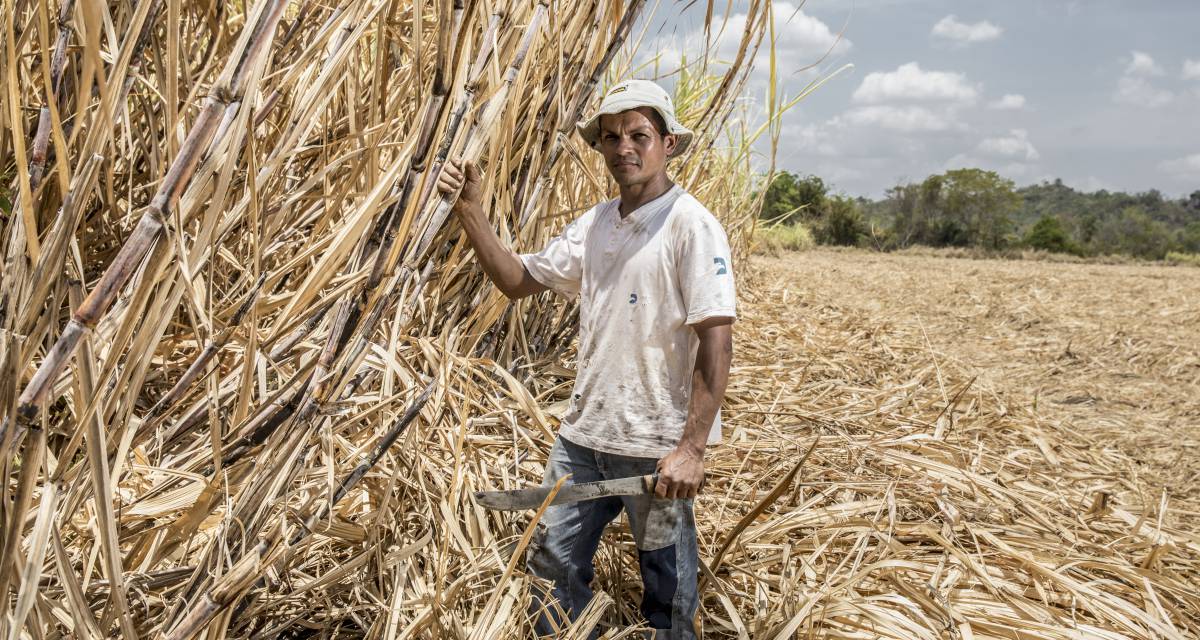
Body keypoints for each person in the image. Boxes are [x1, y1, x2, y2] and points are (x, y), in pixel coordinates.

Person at [437, 79, 735, 639]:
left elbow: (716, 341)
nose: (624, 147)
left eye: (639, 135)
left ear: (668, 143)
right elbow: (516, 280)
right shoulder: (595, 224)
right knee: (552, 570)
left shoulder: (690, 226)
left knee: (667, 590)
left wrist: (691, 449)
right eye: (611, 137)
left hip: (656, 449)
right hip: (582, 440)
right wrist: (469, 210)